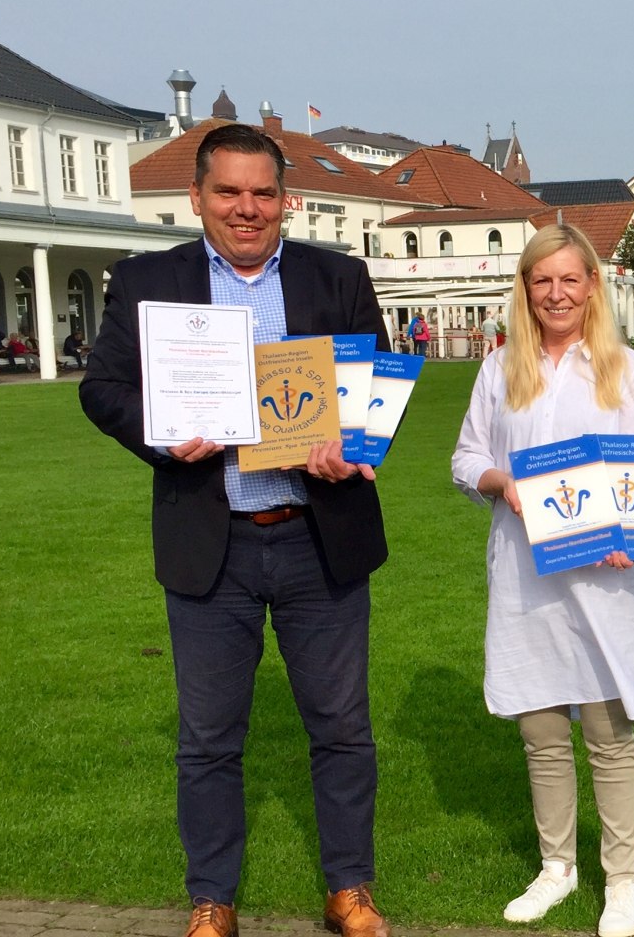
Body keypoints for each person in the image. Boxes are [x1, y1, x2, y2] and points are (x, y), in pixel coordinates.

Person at [79, 124, 395, 937]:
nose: (247, 209)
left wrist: (350, 448)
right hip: (209, 541)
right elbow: (103, 387)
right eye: (229, 192)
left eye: (263, 193)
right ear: (197, 198)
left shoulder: (339, 275)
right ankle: (212, 899)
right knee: (210, 737)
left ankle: (348, 889)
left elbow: (375, 390)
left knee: (342, 727)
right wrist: (159, 430)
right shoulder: (149, 281)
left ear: (285, 199)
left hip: (316, 535)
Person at [450, 224, 634, 937]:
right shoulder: (500, 367)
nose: (557, 293)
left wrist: (627, 529)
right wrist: (497, 478)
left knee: (607, 732)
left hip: (599, 578)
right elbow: (464, 456)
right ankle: (556, 867)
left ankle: (621, 882)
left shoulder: (622, 367)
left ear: (592, 285)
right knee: (541, 731)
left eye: (570, 279)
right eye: (543, 281)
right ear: (526, 290)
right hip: (525, 579)